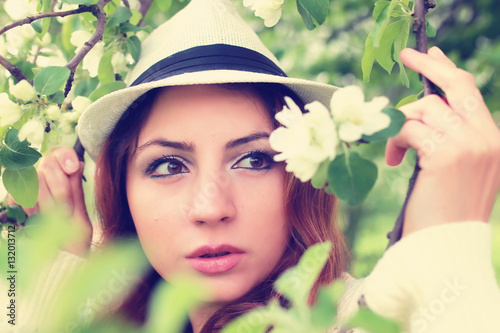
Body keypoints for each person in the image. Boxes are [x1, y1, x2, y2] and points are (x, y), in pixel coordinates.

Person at [6, 0, 500, 332]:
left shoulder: (361, 315)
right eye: (167, 166)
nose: (211, 207)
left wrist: (449, 240)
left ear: (302, 176)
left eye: (254, 159)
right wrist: (37, 269)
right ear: (122, 192)